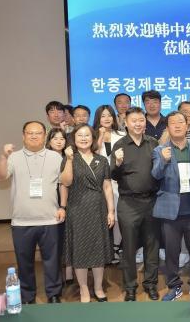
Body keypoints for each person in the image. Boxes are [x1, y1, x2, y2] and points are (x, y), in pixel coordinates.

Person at [0, 121, 65, 304]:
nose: (34, 136)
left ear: (45, 135)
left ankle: (54, 293)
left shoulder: (56, 157)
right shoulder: (13, 157)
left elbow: (63, 184)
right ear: (23, 136)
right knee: (24, 261)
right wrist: (3, 156)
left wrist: (62, 207)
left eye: (38, 133)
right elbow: (1, 176)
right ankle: (27, 296)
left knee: (52, 260)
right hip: (21, 221)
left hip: (50, 219)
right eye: (30, 133)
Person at [151, 111, 190, 301]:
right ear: (167, 127)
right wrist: (164, 160)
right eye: (173, 123)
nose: (177, 126)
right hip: (171, 212)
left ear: (187, 126)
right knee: (171, 252)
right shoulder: (160, 150)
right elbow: (155, 175)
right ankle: (174, 286)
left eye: (180, 122)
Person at [60, 124, 115, 303]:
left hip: (98, 209)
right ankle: (83, 288)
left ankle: (98, 287)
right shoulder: (69, 158)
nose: (83, 138)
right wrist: (69, 160)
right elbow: (66, 182)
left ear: (93, 138)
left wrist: (111, 211)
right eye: (80, 135)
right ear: (74, 139)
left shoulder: (102, 160)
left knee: (98, 249)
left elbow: (107, 186)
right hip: (77, 209)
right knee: (80, 250)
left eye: (87, 135)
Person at [110, 107, 160, 301]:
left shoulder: (153, 143)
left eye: (141, 120)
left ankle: (151, 284)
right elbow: (113, 175)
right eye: (134, 121)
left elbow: (159, 171)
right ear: (126, 123)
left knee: (152, 246)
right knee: (129, 247)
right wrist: (118, 163)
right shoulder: (120, 145)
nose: (138, 124)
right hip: (128, 203)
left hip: (152, 201)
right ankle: (130, 287)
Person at [93, 105, 126, 264]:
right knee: (101, 216)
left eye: (109, 115)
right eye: (103, 116)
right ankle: (102, 249)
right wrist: (100, 136)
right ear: (98, 118)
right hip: (98, 182)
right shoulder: (90, 135)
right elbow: (93, 154)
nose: (106, 119)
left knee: (117, 216)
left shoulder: (121, 135)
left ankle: (115, 247)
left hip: (117, 181)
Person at [46, 128, 73, 284]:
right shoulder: (44, 158)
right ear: (49, 141)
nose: (58, 141)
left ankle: (69, 272)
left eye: (62, 138)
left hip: (69, 200)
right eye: (55, 138)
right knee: (54, 239)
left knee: (67, 237)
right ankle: (57, 274)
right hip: (51, 200)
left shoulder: (69, 157)